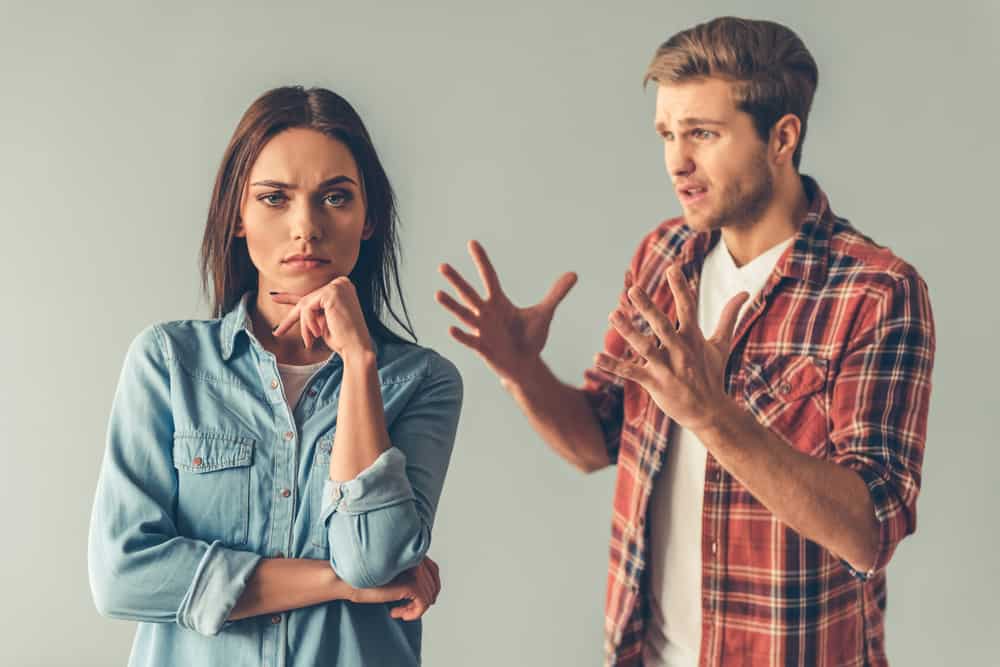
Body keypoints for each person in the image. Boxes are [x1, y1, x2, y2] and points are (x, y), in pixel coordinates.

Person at [436, 17, 934, 667]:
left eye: (703, 133)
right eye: (668, 134)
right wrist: (522, 371)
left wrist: (712, 414)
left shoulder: (876, 291)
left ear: (782, 137)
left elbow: (867, 532)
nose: (677, 160)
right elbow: (597, 441)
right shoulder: (663, 255)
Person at [88, 86, 463, 667]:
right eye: (274, 198)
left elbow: (372, 559)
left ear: (369, 220)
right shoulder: (168, 362)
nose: (306, 226)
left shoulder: (423, 382)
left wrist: (360, 363)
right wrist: (336, 584)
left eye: (336, 197)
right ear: (237, 216)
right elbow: (123, 576)